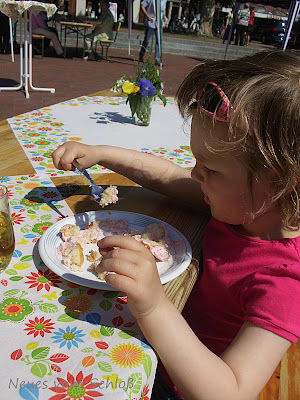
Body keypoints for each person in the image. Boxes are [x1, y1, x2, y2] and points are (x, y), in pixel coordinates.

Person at [52, 50, 300, 400]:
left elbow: (229, 393)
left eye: (211, 169)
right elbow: (168, 176)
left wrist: (153, 306)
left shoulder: (284, 282)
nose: (197, 174)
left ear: (274, 186)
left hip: (174, 382)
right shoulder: (246, 205)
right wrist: (102, 152)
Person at [139, 0, 167, 65]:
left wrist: (164, 17)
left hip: (159, 23)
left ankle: (158, 59)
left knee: (158, 41)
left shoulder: (164, 1)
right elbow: (142, 5)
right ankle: (141, 54)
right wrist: (147, 16)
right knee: (147, 40)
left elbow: (163, 9)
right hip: (151, 22)